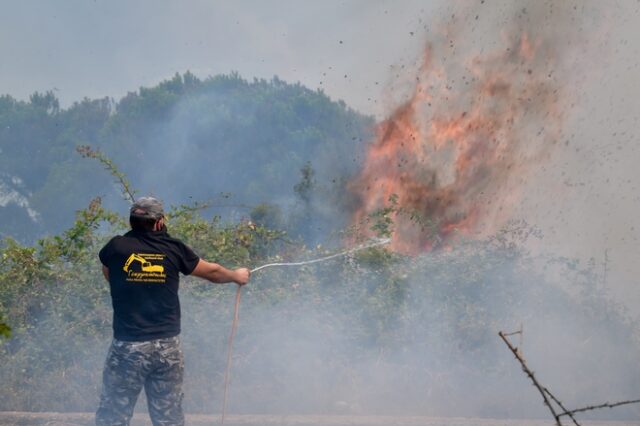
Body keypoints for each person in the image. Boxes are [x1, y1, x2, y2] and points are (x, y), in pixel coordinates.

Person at [96, 196, 250, 426]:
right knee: (168, 418)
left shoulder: (116, 247)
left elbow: (109, 274)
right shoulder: (173, 248)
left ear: (131, 222)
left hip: (128, 347)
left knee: (113, 416)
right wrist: (236, 275)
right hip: (167, 348)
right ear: (159, 223)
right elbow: (213, 272)